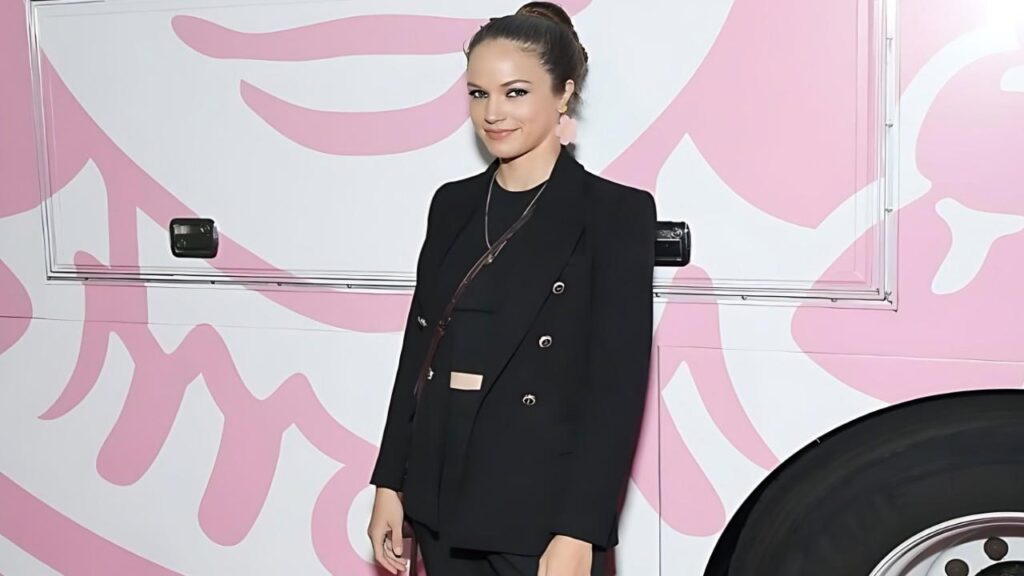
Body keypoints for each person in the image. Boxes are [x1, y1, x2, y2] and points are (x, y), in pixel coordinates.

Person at [367, 3, 656, 575]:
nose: (493, 113)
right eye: (478, 94)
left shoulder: (615, 213)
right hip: (439, 494)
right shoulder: (451, 205)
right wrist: (389, 482)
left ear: (564, 93)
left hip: (541, 510)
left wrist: (580, 530)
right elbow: (417, 354)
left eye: (516, 92)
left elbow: (616, 390)